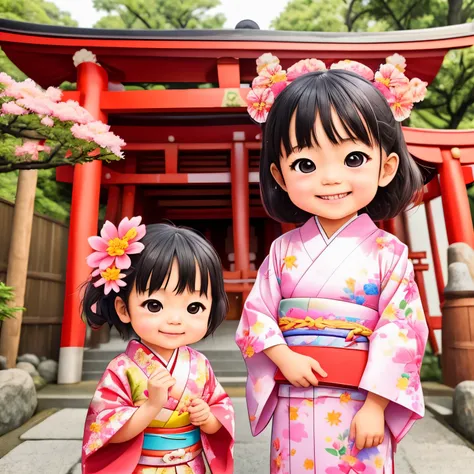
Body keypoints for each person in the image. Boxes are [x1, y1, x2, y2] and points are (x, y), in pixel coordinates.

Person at [236, 53, 431, 473]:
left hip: (361, 397)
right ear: (280, 175)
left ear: (387, 166)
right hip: (293, 392)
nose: (329, 177)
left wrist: (378, 404)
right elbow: (255, 316)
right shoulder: (284, 251)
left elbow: (402, 331)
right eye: (305, 164)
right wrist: (284, 358)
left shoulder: (388, 253)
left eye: (353, 158)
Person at [81, 218, 234, 474]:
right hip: (142, 467)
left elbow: (222, 412)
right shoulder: (122, 369)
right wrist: (152, 407)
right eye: (154, 305)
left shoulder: (200, 365)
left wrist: (207, 418)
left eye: (193, 307)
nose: (175, 319)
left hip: (190, 466)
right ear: (123, 308)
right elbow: (107, 433)